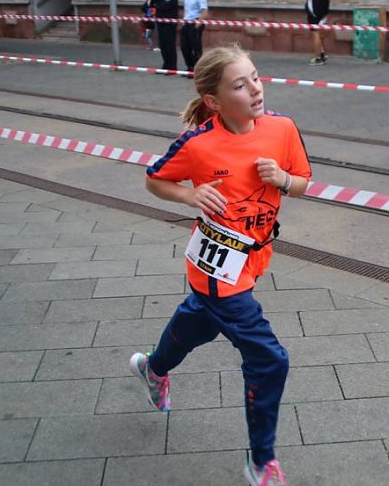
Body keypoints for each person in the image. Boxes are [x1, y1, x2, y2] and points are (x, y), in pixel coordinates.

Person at [130, 45, 311, 486]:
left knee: (202, 322)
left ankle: (153, 368)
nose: (255, 90)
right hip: (217, 271)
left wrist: (283, 179)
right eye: (240, 85)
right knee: (269, 360)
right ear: (214, 100)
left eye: (256, 78)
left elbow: (303, 182)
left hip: (253, 258)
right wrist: (189, 194)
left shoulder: (283, 128)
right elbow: (155, 179)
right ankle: (261, 462)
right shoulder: (198, 144)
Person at [297, 0, 330, 66]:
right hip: (321, 12)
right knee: (318, 33)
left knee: (315, 33)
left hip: (313, 12)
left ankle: (318, 58)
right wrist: (326, 12)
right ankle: (322, 53)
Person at [149, 0, 179, 71]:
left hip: (169, 24)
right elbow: (150, 5)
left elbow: (163, 6)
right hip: (161, 23)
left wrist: (157, 3)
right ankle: (166, 65)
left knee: (169, 45)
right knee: (163, 45)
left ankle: (172, 67)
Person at [180, 0, 208, 72]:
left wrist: (198, 24)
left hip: (195, 22)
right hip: (187, 23)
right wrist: (184, 22)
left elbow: (204, 11)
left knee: (196, 47)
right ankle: (190, 67)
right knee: (184, 46)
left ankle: (198, 68)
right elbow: (187, 11)